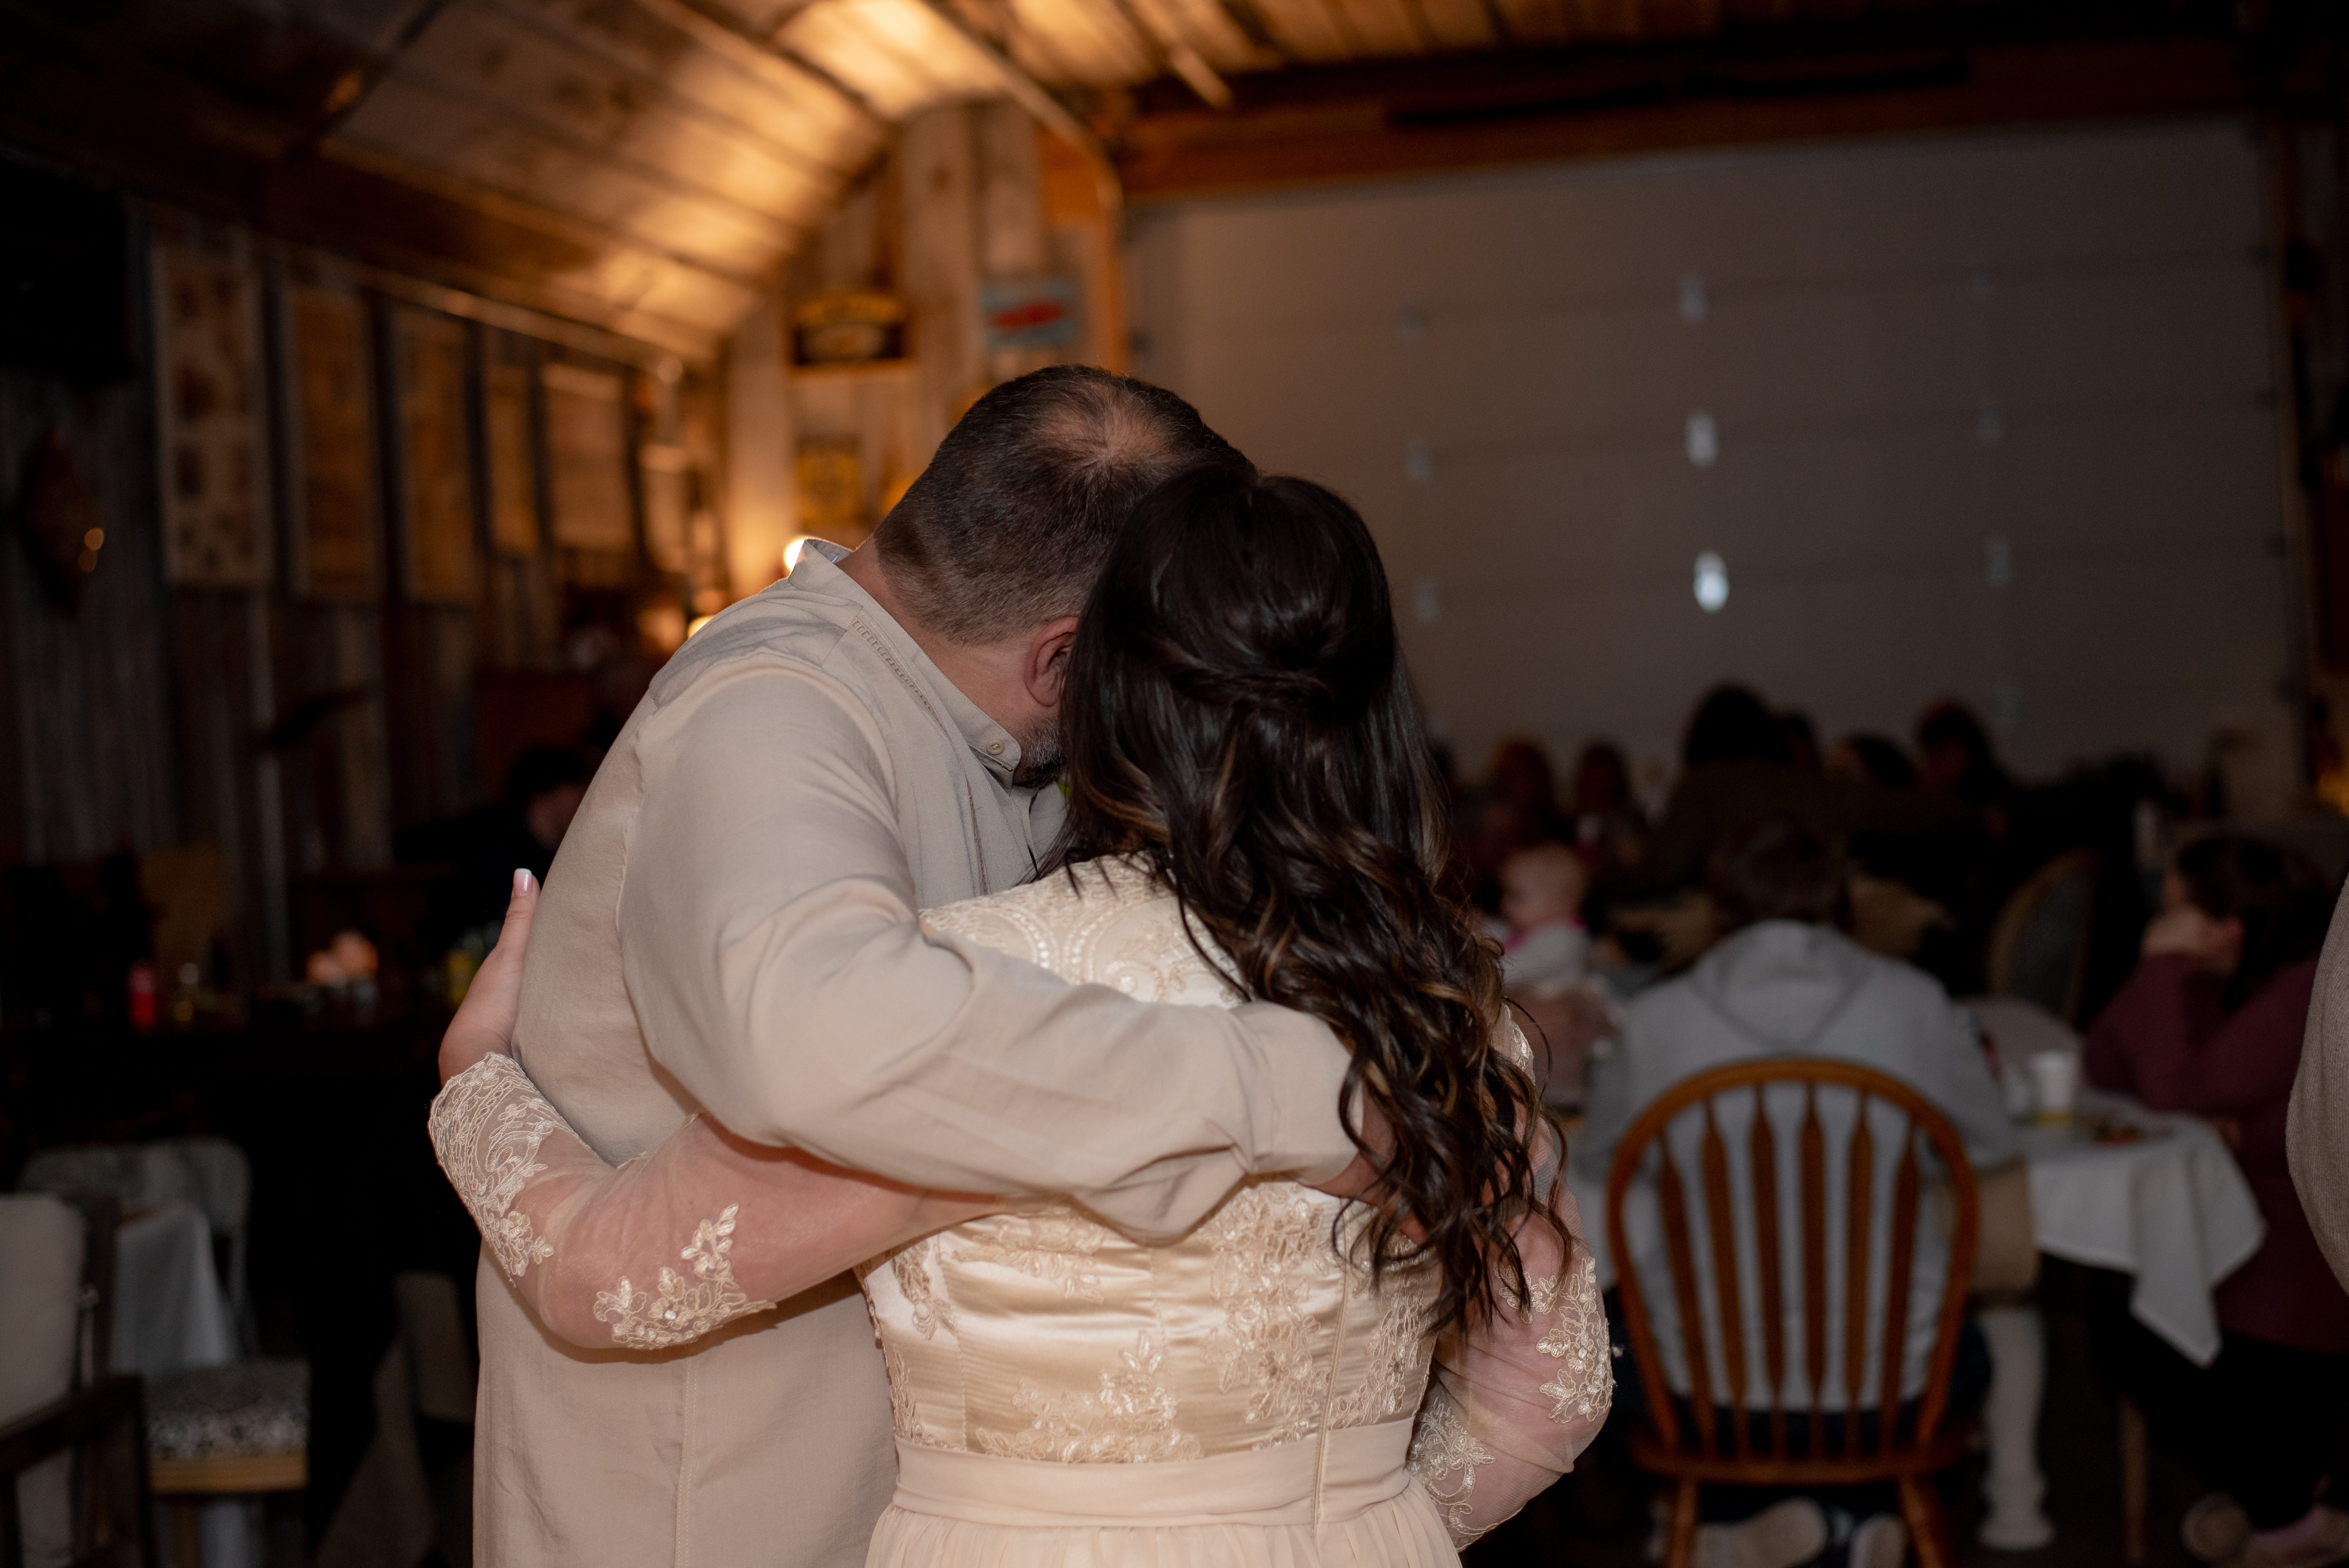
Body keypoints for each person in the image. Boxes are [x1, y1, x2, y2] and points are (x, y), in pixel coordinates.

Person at [431, 468, 1613, 1561]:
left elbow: (603, 1280)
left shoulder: (959, 1007)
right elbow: (1551, 1394)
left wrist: (475, 1081)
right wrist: (1360, 1526)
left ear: (1095, 691)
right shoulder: (1448, 1016)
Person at [1576, 816, 2014, 1568]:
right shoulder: (1916, 1001)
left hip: (1707, 1397)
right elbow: (1992, 1144)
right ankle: (1855, 1517)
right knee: (1972, 1347)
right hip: (1890, 1389)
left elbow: (1601, 1158)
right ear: (1842, 901)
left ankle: (1743, 1526)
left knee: (1598, 1355)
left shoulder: (1655, 1020)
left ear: (1718, 908)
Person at [2086, 836, 2346, 1568]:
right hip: (2239, 1235)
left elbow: (2172, 1089)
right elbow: (2105, 1064)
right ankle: (2284, 1493)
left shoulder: (2298, 991)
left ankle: (2289, 1516)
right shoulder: (2224, 980)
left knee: (2125, 1319)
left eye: (2173, 913)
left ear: (2225, 927)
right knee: (2129, 1299)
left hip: (2303, 1269)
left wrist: (2158, 965)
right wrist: (2163, 975)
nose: (2161, 925)